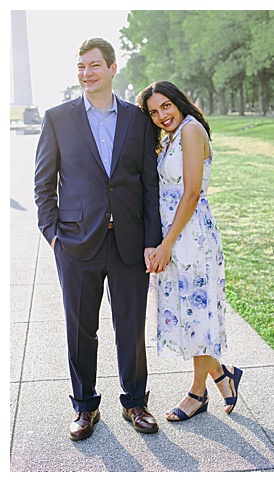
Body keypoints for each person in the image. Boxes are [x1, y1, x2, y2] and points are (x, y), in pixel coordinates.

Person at [35, 38, 163, 441]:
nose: (86, 73)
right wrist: (53, 236)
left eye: (93, 66)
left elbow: (149, 183)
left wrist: (152, 239)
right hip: (75, 244)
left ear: (111, 68)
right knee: (79, 329)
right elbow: (44, 183)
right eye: (80, 67)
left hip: (129, 242)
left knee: (131, 327)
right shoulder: (58, 118)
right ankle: (84, 408)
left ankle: (135, 403)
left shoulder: (137, 119)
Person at [136, 80, 242, 422]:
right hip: (173, 234)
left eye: (165, 106)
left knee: (197, 314)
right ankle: (223, 375)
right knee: (185, 314)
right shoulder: (171, 135)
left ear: (179, 102)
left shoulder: (192, 130)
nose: (161, 115)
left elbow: (192, 191)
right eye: (153, 111)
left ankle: (198, 393)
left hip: (190, 235)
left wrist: (167, 244)